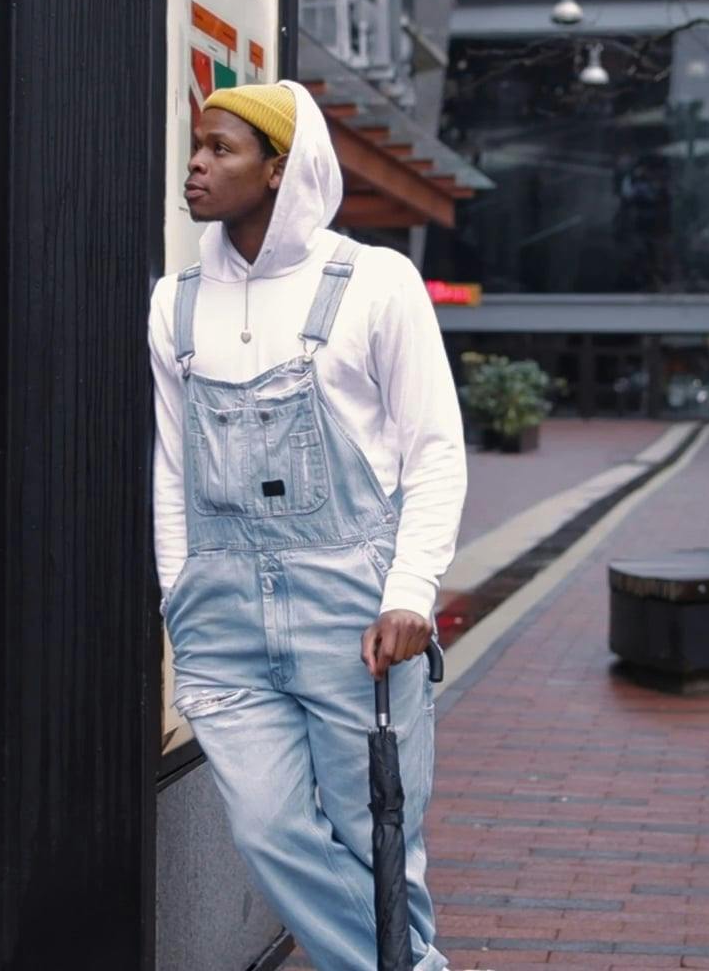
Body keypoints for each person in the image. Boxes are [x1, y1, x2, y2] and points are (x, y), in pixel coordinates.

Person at [149, 81, 467, 971]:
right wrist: (180, 589)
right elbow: (172, 472)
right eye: (197, 148)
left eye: (220, 149)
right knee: (268, 830)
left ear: (279, 168)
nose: (197, 164)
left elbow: (435, 450)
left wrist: (409, 593)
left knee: (379, 845)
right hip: (221, 621)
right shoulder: (172, 306)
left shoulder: (375, 283)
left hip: (358, 620)